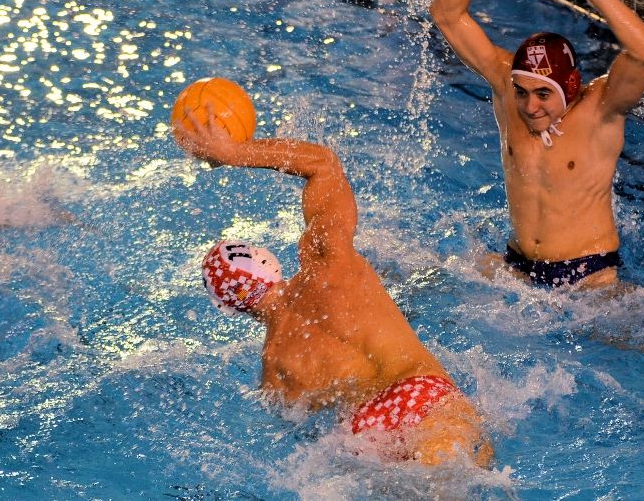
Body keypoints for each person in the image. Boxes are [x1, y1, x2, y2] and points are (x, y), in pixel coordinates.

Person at [173, 108, 492, 467]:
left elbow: (303, 434)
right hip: (418, 392)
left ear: (228, 307)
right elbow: (323, 165)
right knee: (461, 478)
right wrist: (233, 153)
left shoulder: (274, 371)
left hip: (364, 434)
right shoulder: (326, 260)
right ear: (267, 261)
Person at [430, 0, 644, 288]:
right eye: (522, 93)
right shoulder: (505, 84)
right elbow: (446, 15)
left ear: (569, 89)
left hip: (588, 275)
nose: (529, 106)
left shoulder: (601, 109)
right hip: (517, 264)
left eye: (543, 94)